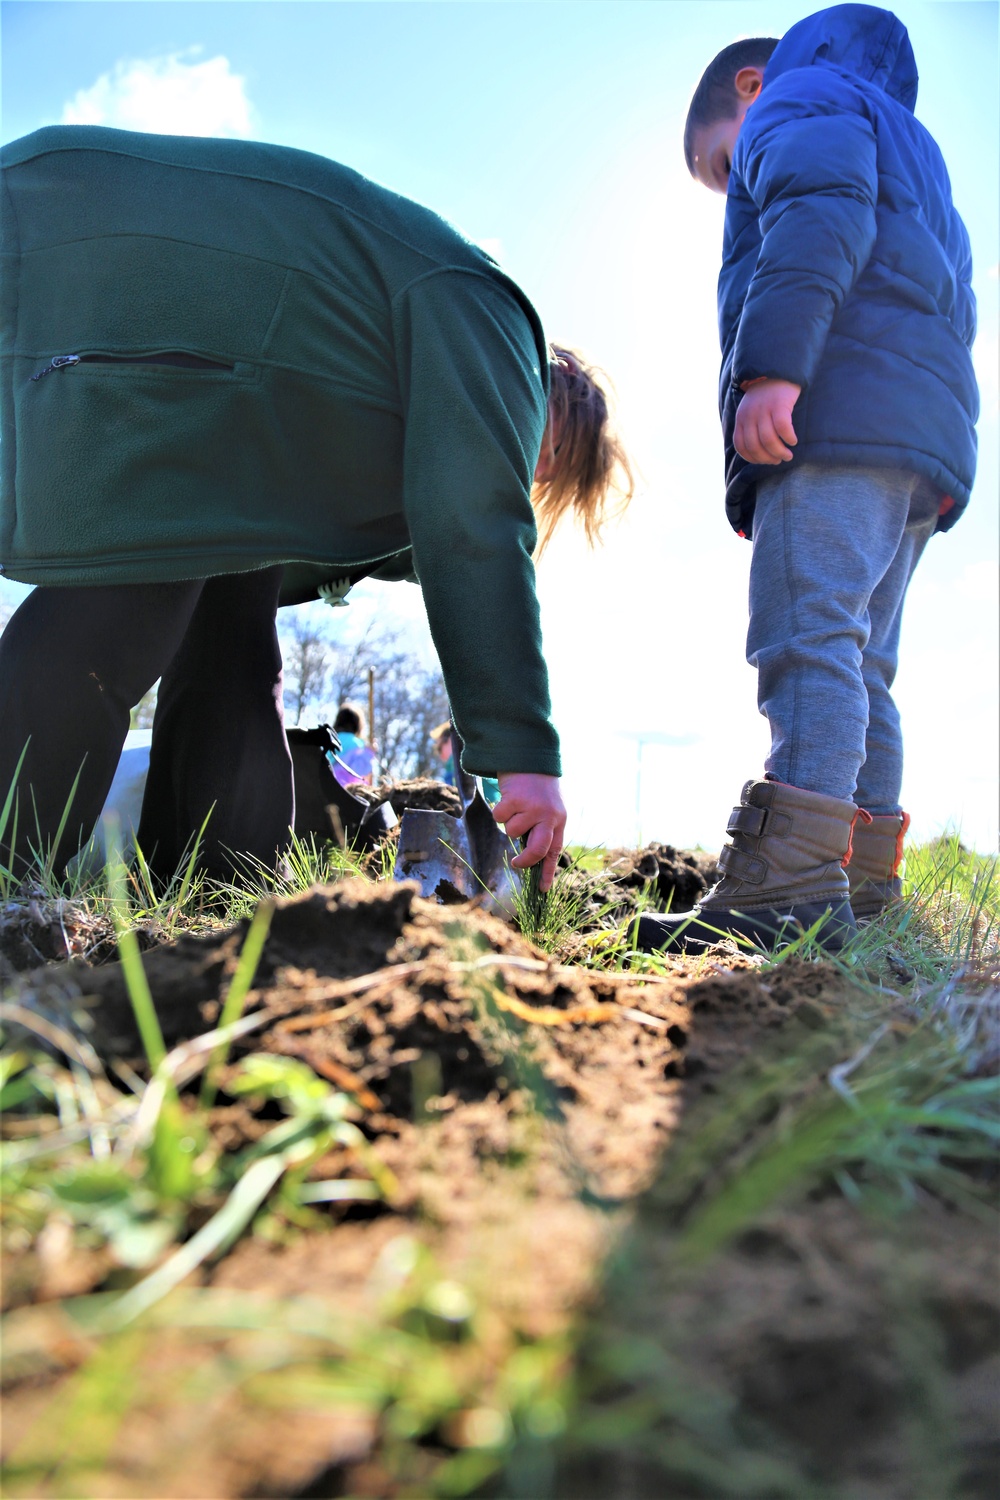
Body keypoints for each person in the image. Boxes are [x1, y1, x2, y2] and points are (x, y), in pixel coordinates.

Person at [0, 126, 631, 893]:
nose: (529, 473)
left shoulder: (342, 407)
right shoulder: (494, 325)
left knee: (231, 631)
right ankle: (9, 872)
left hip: (174, 350)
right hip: (83, 247)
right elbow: (473, 525)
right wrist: (523, 752)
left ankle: (211, 883)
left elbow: (264, 612)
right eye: (550, 457)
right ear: (546, 395)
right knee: (126, 603)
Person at [638, 4, 978, 953]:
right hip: (915, 444)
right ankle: (861, 884)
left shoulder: (798, 98)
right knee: (864, 657)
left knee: (807, 636)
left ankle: (785, 884)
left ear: (750, 89)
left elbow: (812, 216)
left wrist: (770, 372)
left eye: (720, 166)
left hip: (833, 417)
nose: (728, 186)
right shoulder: (912, 143)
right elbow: (951, 299)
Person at [330, 704, 377, 787]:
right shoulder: (356, 744)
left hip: (325, 787)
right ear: (357, 725)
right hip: (345, 791)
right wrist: (369, 752)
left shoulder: (329, 739)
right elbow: (360, 770)